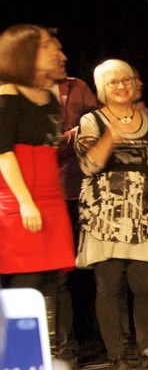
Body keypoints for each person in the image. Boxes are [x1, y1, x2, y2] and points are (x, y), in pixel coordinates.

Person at [76, 59, 148, 370]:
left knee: (144, 286)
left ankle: (145, 351)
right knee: (109, 286)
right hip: (104, 215)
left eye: (126, 80)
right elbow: (88, 165)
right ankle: (116, 355)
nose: (121, 86)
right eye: (113, 82)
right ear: (102, 88)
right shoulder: (92, 121)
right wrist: (110, 137)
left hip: (141, 213)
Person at [0, 25, 76, 346]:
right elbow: (3, 152)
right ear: (25, 52)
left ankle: (42, 352)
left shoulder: (48, 97)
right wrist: (25, 201)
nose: (56, 52)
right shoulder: (7, 95)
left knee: (52, 278)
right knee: (26, 277)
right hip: (20, 197)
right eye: (46, 45)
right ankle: (18, 354)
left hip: (50, 196)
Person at [50, 33, 97, 367]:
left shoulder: (77, 87)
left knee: (85, 269)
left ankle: (84, 341)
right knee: (56, 274)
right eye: (54, 51)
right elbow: (45, 144)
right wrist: (69, 138)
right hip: (42, 193)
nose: (63, 56)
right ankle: (60, 344)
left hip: (78, 188)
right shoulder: (20, 93)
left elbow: (96, 128)